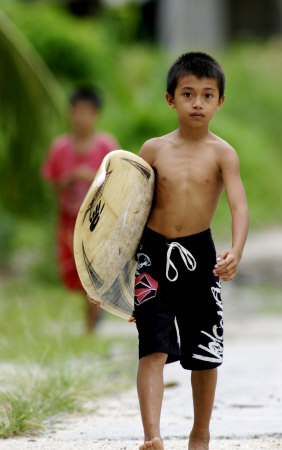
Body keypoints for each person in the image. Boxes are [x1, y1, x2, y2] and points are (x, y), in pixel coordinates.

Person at [134, 52, 249, 450]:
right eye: (188, 94)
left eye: (207, 95)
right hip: (152, 253)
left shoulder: (223, 154)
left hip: (200, 256)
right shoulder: (152, 150)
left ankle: (200, 434)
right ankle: (153, 435)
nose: (197, 103)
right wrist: (113, 273)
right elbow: (127, 212)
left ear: (220, 101)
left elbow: (239, 205)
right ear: (171, 100)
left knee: (205, 350)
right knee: (152, 345)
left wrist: (235, 250)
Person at [42, 86, 119, 332]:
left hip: (98, 222)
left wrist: (94, 178)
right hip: (67, 221)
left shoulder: (106, 145)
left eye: (88, 112)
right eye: (78, 112)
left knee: (92, 274)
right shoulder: (60, 147)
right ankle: (94, 313)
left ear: (96, 115)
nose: (82, 118)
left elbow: (118, 181)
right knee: (72, 274)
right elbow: (51, 183)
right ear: (70, 113)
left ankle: (90, 327)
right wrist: (70, 179)